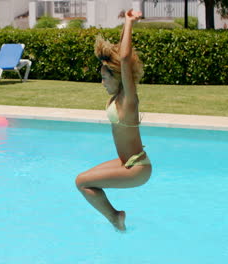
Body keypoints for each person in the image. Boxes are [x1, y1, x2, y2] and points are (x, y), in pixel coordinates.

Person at [75, 9, 152, 232]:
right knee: (83, 181)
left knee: (82, 182)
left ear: (117, 77)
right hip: (125, 161)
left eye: (104, 77)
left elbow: (125, 59)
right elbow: (121, 57)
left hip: (136, 168)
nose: (101, 82)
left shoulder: (128, 100)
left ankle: (115, 217)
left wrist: (129, 22)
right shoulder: (117, 97)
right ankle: (115, 217)